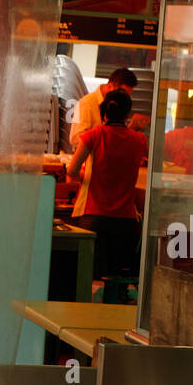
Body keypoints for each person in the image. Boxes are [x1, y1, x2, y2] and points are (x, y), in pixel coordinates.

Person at [67, 88, 147, 297]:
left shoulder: (93, 135)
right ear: (127, 113)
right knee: (117, 281)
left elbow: (71, 170)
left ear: (104, 111)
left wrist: (84, 178)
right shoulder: (139, 141)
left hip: (94, 218)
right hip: (126, 221)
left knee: (89, 279)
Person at [69, 66, 137, 150]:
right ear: (110, 86)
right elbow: (75, 138)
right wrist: (103, 138)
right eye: (122, 92)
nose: (124, 97)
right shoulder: (86, 103)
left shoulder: (118, 104)